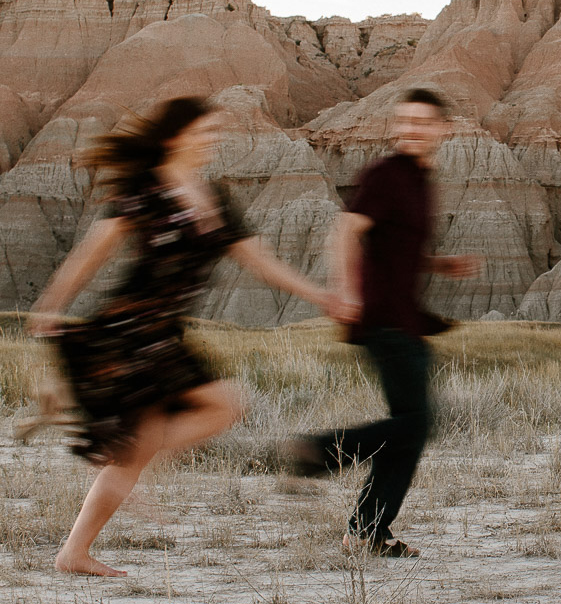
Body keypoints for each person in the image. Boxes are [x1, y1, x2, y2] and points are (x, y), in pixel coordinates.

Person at [29, 96, 341, 576]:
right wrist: (51, 305)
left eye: (216, 131)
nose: (212, 139)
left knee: (215, 411)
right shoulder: (144, 189)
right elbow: (91, 254)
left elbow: (262, 263)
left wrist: (320, 296)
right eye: (204, 130)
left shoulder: (214, 199)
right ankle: (80, 541)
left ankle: (76, 547)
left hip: (165, 335)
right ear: (176, 136)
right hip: (129, 330)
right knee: (220, 406)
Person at [282, 87, 480, 557]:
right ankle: (322, 452)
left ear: (443, 129)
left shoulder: (419, 180)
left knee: (410, 427)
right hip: (383, 318)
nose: (410, 129)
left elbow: (395, 243)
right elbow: (345, 230)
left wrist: (436, 264)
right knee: (414, 425)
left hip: (405, 319)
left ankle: (368, 530)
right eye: (403, 120)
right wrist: (345, 289)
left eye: (421, 122)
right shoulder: (387, 174)